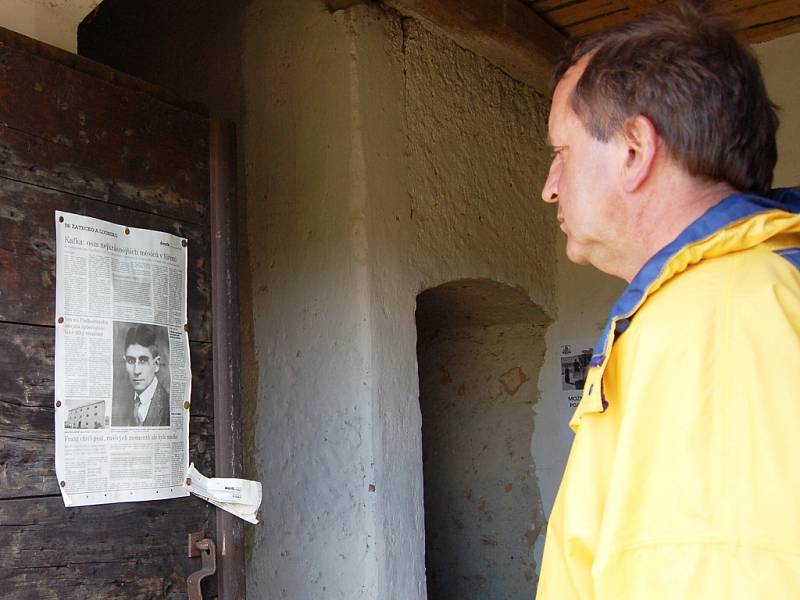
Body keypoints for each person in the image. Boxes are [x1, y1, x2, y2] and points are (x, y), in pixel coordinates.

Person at [537, 4, 800, 599]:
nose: (549, 186)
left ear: (634, 149)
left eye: (562, 152)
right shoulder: (724, 299)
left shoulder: (723, 319)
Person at [111, 324, 170, 427]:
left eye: (143, 360)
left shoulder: (168, 406)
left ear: (156, 364)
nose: (136, 371)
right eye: (131, 361)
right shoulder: (121, 405)